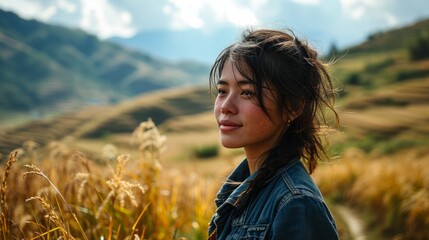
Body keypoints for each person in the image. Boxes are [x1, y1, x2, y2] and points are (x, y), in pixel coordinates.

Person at [208, 28, 340, 240]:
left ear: (293, 107)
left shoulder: (296, 204)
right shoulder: (242, 191)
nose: (226, 106)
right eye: (222, 91)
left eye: (247, 92)